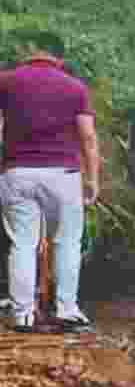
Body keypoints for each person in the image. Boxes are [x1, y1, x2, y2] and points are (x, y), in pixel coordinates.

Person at [0, 29, 99, 333]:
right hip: (63, 175)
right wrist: (92, 178)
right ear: (60, 56)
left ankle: (23, 315)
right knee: (67, 242)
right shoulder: (75, 88)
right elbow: (88, 137)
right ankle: (66, 310)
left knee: (22, 244)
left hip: (16, 172)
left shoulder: (5, 81)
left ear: (32, 50)